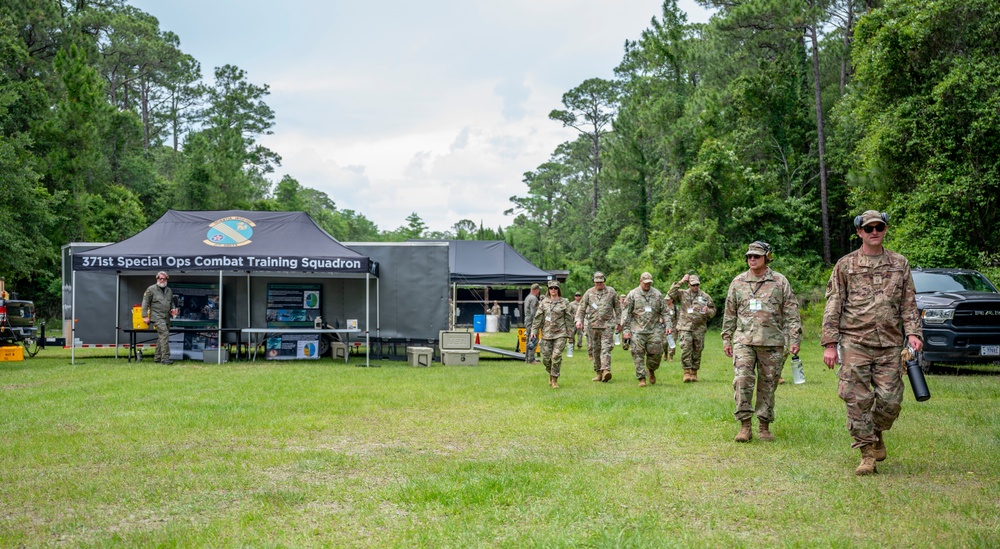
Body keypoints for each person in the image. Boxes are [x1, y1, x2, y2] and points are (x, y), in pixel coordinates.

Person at [822, 210, 923, 475]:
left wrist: (913, 333)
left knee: (891, 400)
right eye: (869, 228)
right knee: (856, 399)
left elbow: (908, 302)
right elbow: (833, 304)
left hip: (890, 343)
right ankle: (867, 453)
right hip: (855, 341)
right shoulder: (846, 265)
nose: (874, 232)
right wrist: (830, 343)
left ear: (885, 229)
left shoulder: (900, 263)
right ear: (859, 232)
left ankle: (876, 431)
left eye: (879, 227)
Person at [722, 242, 802, 442]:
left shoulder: (779, 281)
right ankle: (745, 425)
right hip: (744, 341)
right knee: (742, 380)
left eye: (756, 256)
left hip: (772, 342)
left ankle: (764, 426)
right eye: (749, 256)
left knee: (768, 384)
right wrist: (726, 338)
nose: (752, 259)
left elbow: (792, 311)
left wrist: (794, 337)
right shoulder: (738, 282)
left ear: (767, 257)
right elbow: (730, 312)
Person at [621, 272, 669, 387]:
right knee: (637, 354)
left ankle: (651, 370)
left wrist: (668, 325)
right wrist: (626, 331)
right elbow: (626, 314)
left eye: (649, 283)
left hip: (654, 330)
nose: (647, 285)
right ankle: (641, 378)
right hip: (637, 330)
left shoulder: (657, 294)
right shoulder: (632, 294)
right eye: (645, 283)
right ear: (640, 281)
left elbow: (665, 312)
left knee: (657, 354)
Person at [668, 273, 716, 382]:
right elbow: (670, 294)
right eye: (693, 285)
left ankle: (694, 372)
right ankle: (686, 372)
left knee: (697, 350)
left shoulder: (705, 296)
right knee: (686, 349)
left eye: (697, 285)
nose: (695, 287)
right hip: (685, 327)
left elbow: (713, 311)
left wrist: (708, 311)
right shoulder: (682, 294)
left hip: (699, 328)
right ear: (689, 284)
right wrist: (681, 281)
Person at [575, 272, 622, 382]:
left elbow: (618, 307)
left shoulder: (611, 292)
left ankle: (606, 370)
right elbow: (581, 308)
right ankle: (598, 372)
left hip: (607, 325)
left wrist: (619, 322)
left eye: (600, 282)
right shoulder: (589, 293)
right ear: (594, 282)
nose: (599, 284)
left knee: (605, 348)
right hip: (593, 326)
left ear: (604, 281)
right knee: (596, 350)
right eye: (597, 282)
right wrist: (578, 320)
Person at [533, 281, 574, 388]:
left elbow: (569, 319)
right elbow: (538, 318)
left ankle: (555, 379)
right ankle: (551, 374)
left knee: (556, 356)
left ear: (558, 289)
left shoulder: (564, 302)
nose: (553, 290)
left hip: (560, 334)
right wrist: (534, 331)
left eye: (555, 288)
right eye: (551, 288)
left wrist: (570, 334)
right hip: (547, 334)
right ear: (548, 290)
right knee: (546, 359)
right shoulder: (544, 302)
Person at [141, 271, 175, 365]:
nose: (162, 280)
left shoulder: (169, 291)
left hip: (166, 317)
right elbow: (145, 303)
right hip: (157, 317)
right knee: (165, 335)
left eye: (164, 278)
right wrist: (144, 316)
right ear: (157, 279)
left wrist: (173, 310)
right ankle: (165, 359)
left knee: (161, 338)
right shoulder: (151, 289)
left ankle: (157, 357)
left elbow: (171, 303)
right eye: (160, 278)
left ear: (167, 279)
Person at [523, 283, 541, 363]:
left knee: (528, 339)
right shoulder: (534, 298)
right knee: (534, 339)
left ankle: (527, 358)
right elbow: (534, 312)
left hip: (527, 320)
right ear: (536, 290)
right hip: (532, 321)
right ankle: (531, 359)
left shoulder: (527, 297)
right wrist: (537, 322)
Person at [662, 297, 677, 361]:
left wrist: (678, 328)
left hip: (673, 327)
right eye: (665, 300)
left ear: (671, 300)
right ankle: (665, 353)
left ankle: (671, 356)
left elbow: (678, 318)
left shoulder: (675, 308)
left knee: (672, 342)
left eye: (668, 300)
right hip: (664, 328)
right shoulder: (663, 308)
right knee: (664, 343)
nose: (666, 301)